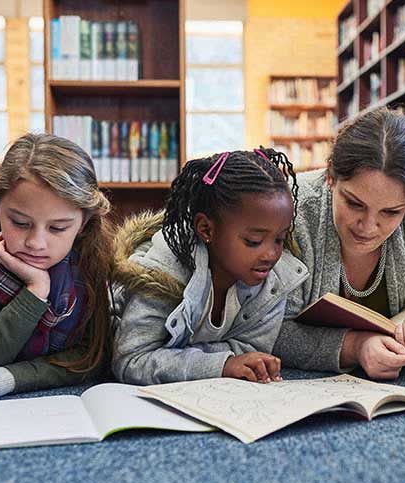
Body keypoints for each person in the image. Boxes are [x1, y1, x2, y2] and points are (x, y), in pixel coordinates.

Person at [273, 108, 405, 380]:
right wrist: (355, 347)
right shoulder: (291, 209)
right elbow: (268, 329)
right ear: (331, 177)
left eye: (391, 212)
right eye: (354, 203)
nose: (368, 227)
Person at [0, 133, 115, 402]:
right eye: (20, 223)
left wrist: (1, 379)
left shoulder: (94, 257)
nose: (35, 243)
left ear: (84, 223)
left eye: (57, 228)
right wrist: (35, 291)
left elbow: (89, 358)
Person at [112, 148, 307, 384]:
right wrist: (222, 363)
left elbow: (250, 351)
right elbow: (131, 360)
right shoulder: (161, 275)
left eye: (280, 239)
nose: (272, 254)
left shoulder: (274, 283)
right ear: (206, 229)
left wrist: (228, 363)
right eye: (253, 241)